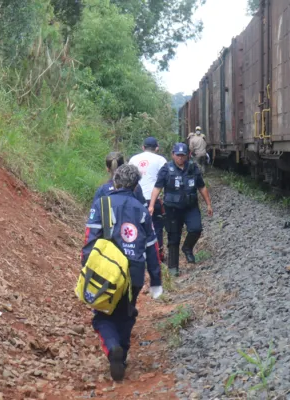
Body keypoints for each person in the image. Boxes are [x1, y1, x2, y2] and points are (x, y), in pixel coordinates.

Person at [82, 164, 163, 382]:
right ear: (136, 185)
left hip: (107, 271)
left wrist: (85, 270)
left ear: (115, 181)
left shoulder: (102, 204)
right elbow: (152, 247)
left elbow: (90, 240)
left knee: (102, 315)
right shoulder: (141, 209)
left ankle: (112, 347)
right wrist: (156, 279)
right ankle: (122, 356)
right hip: (134, 271)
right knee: (127, 313)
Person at [148, 143, 213, 277]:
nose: (180, 158)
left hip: (190, 207)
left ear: (188, 155)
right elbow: (157, 188)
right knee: (173, 237)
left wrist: (208, 204)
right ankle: (173, 268)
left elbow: (202, 187)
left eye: (183, 155)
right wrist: (151, 205)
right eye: (178, 155)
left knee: (196, 229)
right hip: (172, 209)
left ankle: (187, 248)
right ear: (173, 155)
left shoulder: (193, 168)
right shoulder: (166, 169)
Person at [128, 137, 168, 261]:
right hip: (153, 200)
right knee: (157, 227)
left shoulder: (133, 159)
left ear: (143, 147)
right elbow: (166, 180)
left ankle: (136, 255)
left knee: (136, 227)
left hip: (135, 199)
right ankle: (158, 255)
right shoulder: (161, 160)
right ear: (157, 148)